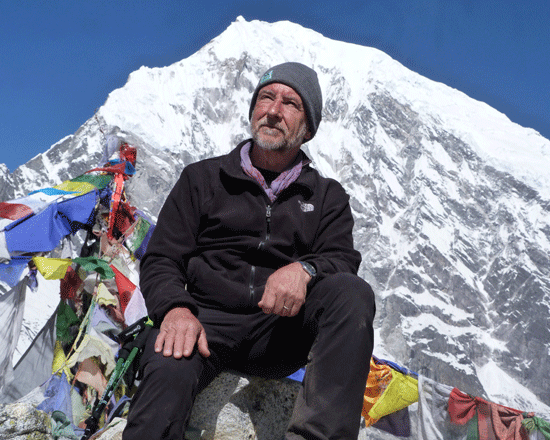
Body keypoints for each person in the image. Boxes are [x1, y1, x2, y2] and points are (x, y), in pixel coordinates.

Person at [122, 62, 376, 440]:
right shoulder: (202, 178)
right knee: (168, 366)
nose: (273, 110)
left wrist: (304, 270)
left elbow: (342, 260)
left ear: (308, 128)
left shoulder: (327, 197)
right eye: (266, 98)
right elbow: (162, 258)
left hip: (282, 331)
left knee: (352, 294)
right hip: (206, 324)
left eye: (290, 103)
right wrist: (175, 309)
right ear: (253, 109)